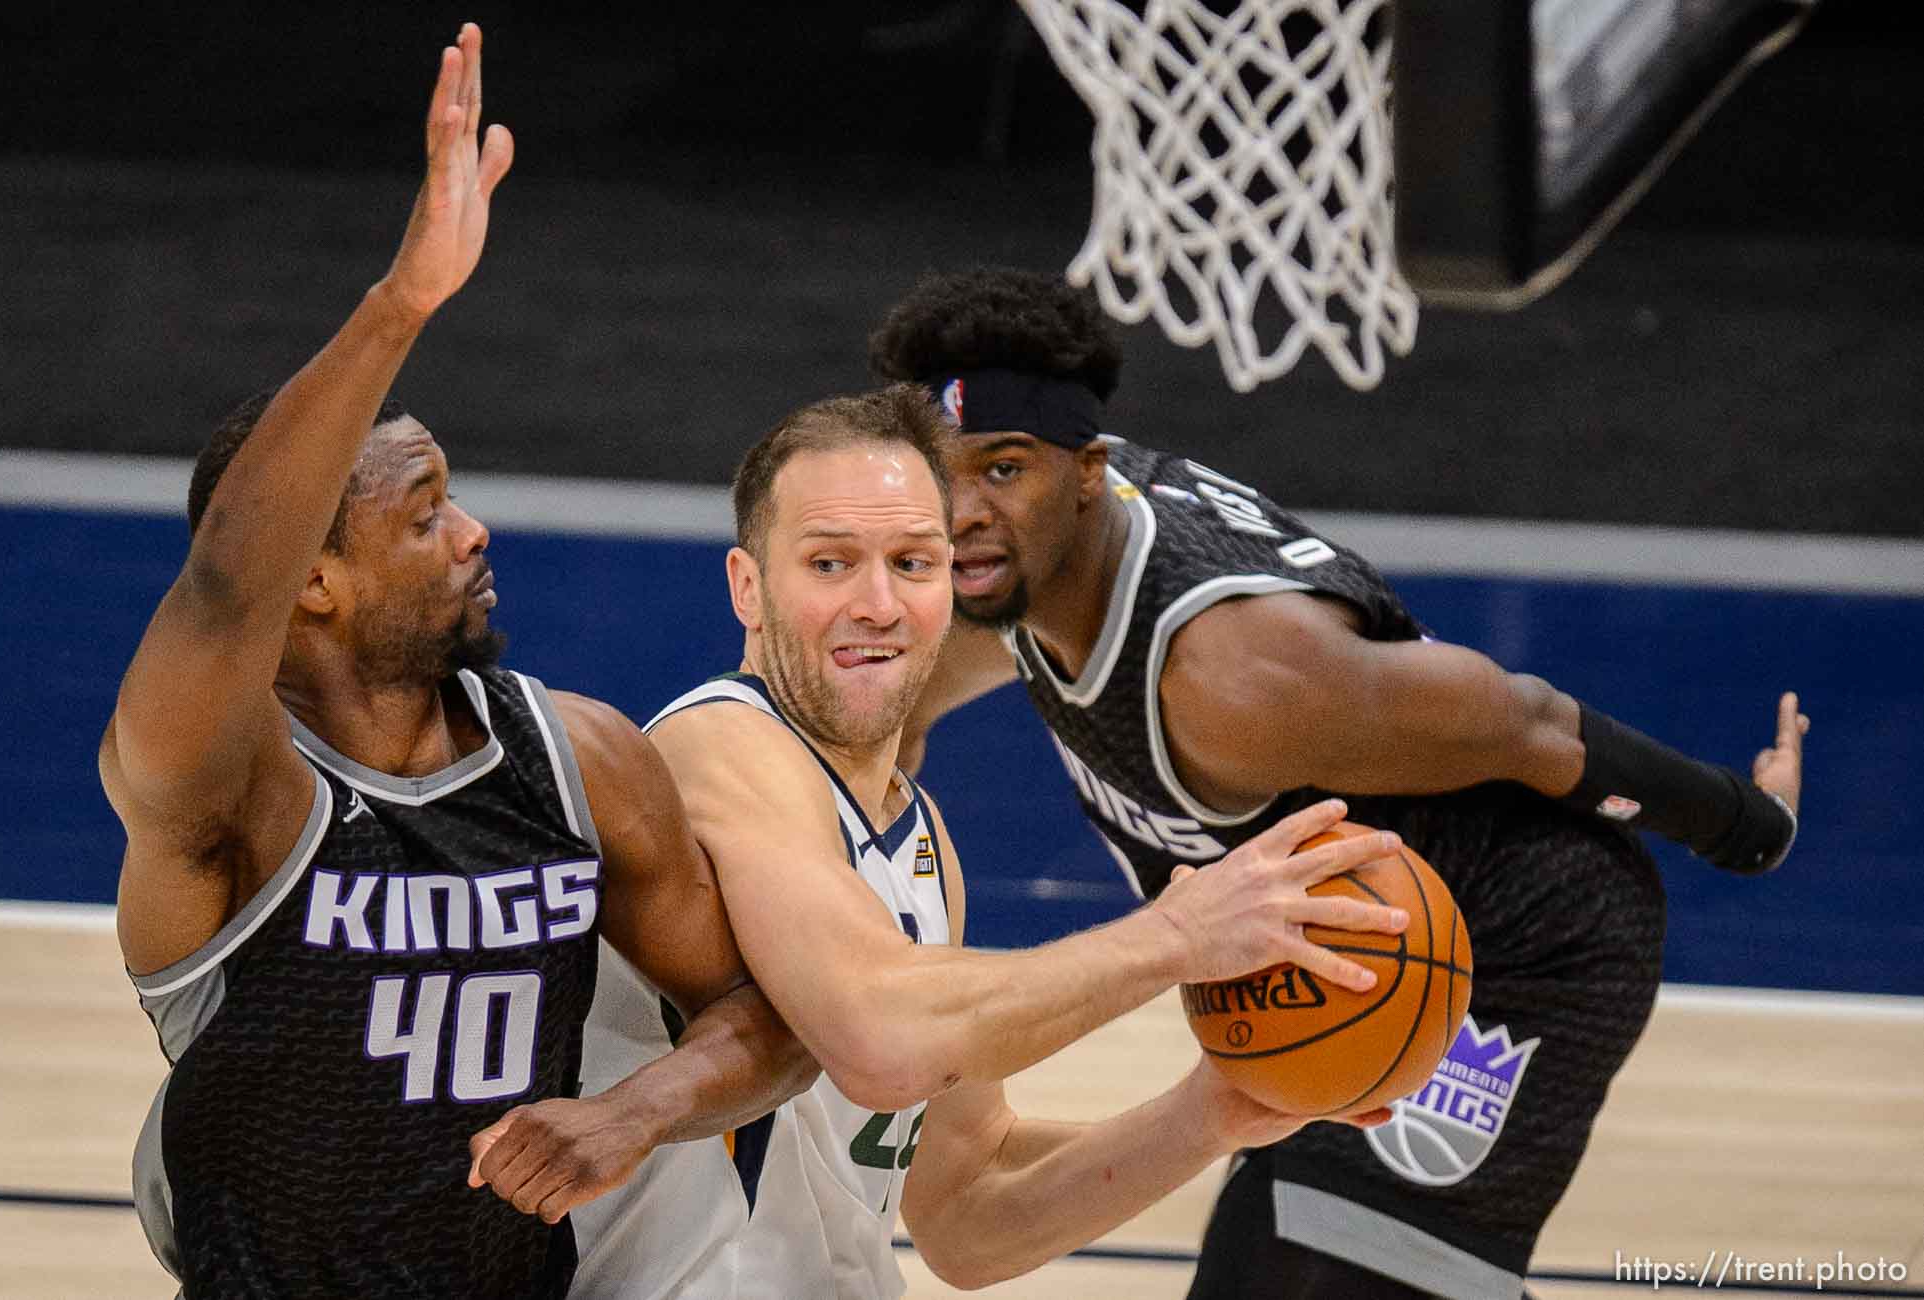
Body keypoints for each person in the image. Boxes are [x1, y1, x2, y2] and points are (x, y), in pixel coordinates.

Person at [867, 267, 1808, 1300]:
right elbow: (892, 707)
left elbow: (1527, 723)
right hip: (1344, 951)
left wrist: (1744, 822)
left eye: (1002, 469)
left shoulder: (1240, 674)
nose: (961, 513)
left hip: (1508, 945)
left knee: (1314, 1268)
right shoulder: (1009, 555)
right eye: (934, 474)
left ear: (1088, 471)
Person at [99, 27, 810, 1299]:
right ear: (312, 581)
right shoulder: (234, 792)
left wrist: (636, 1109)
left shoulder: (579, 757)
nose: (473, 530)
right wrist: (401, 304)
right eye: (422, 513)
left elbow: (764, 1021)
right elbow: (220, 589)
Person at [478, 384, 1414, 1297]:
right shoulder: (718, 745)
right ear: (748, 589)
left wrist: (1218, 1112)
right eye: (831, 563)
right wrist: (1176, 938)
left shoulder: (923, 844)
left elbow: (965, 1215)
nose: (878, 603)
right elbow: (881, 1036)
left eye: (914, 563)